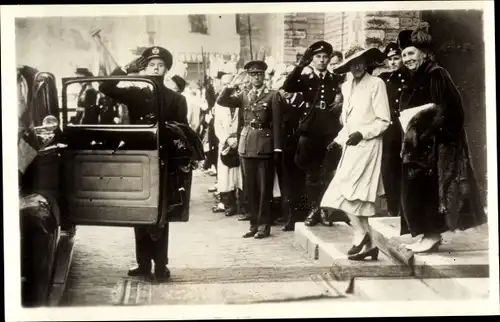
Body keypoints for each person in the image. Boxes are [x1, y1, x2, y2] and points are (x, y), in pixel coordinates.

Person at [99, 46, 188, 281]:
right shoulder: (135, 94)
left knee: (160, 214)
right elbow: (105, 87)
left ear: (167, 69)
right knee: (139, 210)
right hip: (138, 161)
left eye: (160, 65)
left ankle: (161, 265)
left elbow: (183, 133)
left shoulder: (177, 98)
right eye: (151, 64)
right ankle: (143, 263)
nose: (156, 68)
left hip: (164, 163)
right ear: (144, 67)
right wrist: (127, 68)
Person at [396, 23, 486, 253]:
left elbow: (450, 109)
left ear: (423, 53)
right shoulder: (415, 76)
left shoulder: (436, 74)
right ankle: (425, 234)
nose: (407, 58)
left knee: (427, 190)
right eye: (404, 54)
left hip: (434, 147)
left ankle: (432, 234)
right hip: (418, 146)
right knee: (415, 190)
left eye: (411, 53)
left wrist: (425, 126)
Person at [321, 45, 389, 261]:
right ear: (348, 66)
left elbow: (383, 120)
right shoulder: (347, 86)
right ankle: (368, 245)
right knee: (357, 195)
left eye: (361, 62)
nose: (357, 66)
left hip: (368, 145)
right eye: (353, 63)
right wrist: (338, 139)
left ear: (367, 63)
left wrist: (363, 133)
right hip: (350, 145)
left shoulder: (376, 84)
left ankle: (359, 234)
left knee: (344, 190)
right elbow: (348, 120)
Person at [217, 60, 283, 239]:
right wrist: (231, 85)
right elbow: (221, 100)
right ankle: (253, 224)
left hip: (265, 146)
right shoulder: (243, 95)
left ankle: (263, 226)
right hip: (246, 146)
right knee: (249, 189)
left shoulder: (273, 96)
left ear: (264, 76)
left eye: (259, 74)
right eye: (253, 74)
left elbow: (277, 124)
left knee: (264, 190)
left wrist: (277, 148)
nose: (256, 77)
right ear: (248, 76)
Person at [281, 41, 344, 227]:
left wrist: (341, 100)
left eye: (325, 57)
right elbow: (288, 86)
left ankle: (325, 210)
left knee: (327, 171)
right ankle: (314, 209)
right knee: (311, 172)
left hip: (330, 130)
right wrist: (301, 64)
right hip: (310, 129)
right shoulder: (306, 79)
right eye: (318, 57)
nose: (322, 60)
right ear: (313, 59)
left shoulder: (337, 80)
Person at [377, 43, 410, 217]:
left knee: (407, 167)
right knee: (389, 168)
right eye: (389, 59)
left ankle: (406, 209)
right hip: (390, 131)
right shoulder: (384, 79)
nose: (393, 63)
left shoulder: (412, 77)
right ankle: (393, 208)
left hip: (407, 129)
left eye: (396, 58)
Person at [213, 73, 244, 217]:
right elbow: (217, 126)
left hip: (241, 141)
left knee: (241, 175)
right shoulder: (219, 104)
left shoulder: (241, 100)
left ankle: (243, 204)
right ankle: (229, 204)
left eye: (230, 84)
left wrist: (238, 138)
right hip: (226, 143)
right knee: (226, 175)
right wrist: (226, 139)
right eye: (225, 84)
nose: (228, 87)